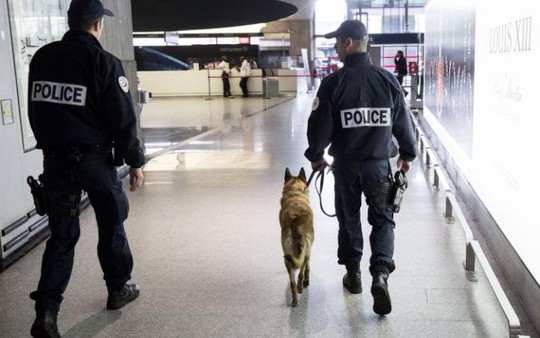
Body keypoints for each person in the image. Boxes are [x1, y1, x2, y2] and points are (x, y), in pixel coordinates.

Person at [27, 0, 145, 336]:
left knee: (62, 236)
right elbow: (122, 118)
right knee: (111, 223)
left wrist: (52, 146)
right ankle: (118, 288)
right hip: (95, 160)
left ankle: (46, 313)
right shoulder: (104, 62)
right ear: (97, 25)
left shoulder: (43, 58)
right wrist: (135, 161)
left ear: (70, 22)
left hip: (56, 161)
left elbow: (36, 110)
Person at [304, 20, 417, 316]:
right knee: (382, 220)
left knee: (349, 219)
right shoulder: (387, 79)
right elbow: (403, 121)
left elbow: (319, 127)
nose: (335, 47)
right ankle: (380, 275)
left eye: (337, 42)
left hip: (347, 170)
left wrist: (316, 155)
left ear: (349, 43)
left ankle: (353, 276)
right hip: (379, 168)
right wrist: (408, 153)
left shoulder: (333, 83)